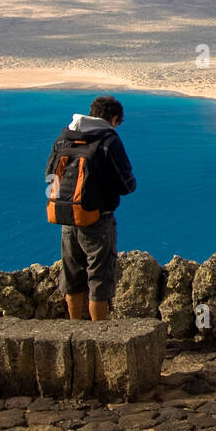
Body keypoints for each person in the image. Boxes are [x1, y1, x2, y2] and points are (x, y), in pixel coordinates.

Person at [46, 95, 137, 321]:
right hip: (96, 217)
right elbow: (125, 184)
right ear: (114, 118)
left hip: (66, 215)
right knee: (99, 279)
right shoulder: (108, 140)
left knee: (72, 277)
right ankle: (99, 337)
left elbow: (49, 174)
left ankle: (75, 329)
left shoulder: (64, 137)